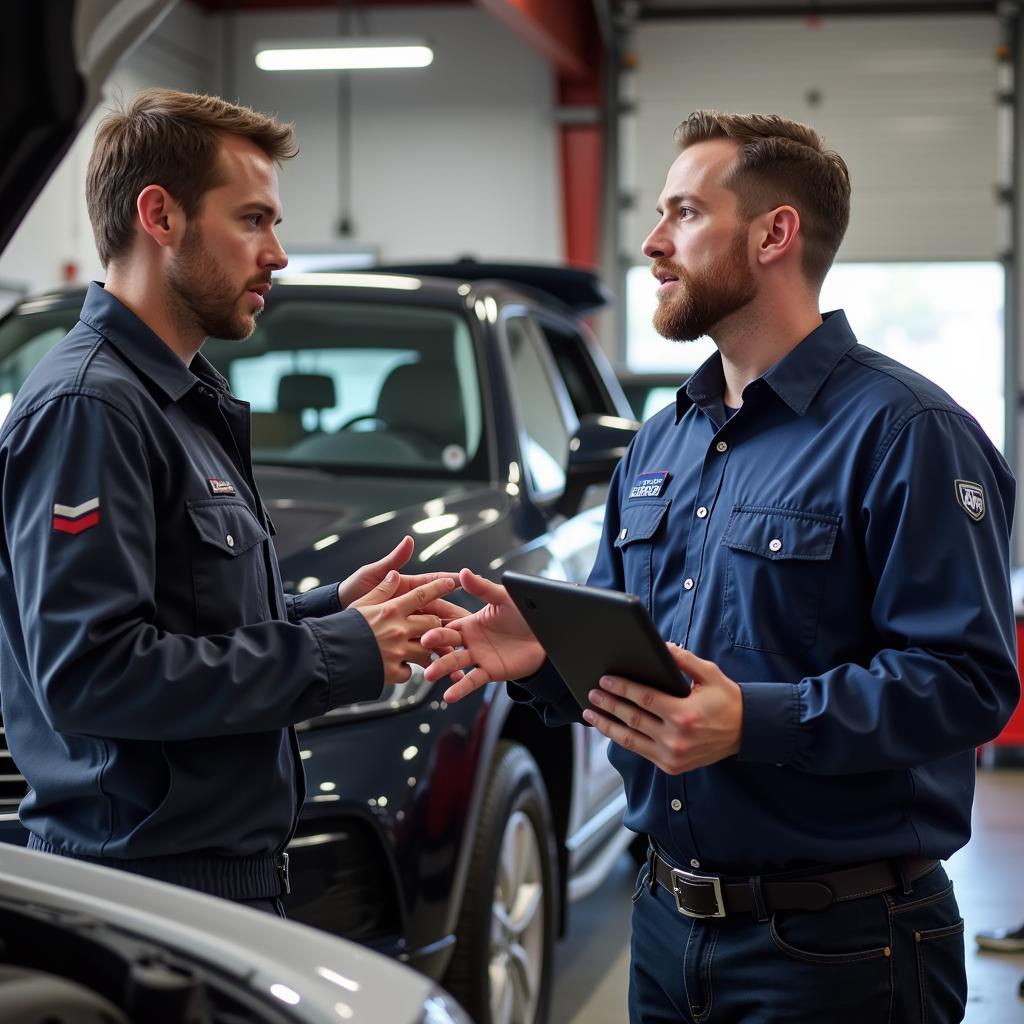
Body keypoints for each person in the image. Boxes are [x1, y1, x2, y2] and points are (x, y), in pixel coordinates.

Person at [422, 110, 1019, 1022]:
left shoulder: (908, 435)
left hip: (843, 948)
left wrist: (755, 721)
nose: (654, 244)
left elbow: (969, 682)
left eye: (685, 214)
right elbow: (648, 676)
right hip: (665, 929)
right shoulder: (660, 444)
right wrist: (549, 658)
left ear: (774, 233)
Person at [0, 89, 463, 915]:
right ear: (161, 216)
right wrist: (338, 655)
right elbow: (91, 674)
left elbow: (184, 612)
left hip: (207, 880)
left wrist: (327, 611)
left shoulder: (179, 401)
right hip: (145, 894)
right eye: (252, 220)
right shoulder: (92, 408)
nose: (278, 254)